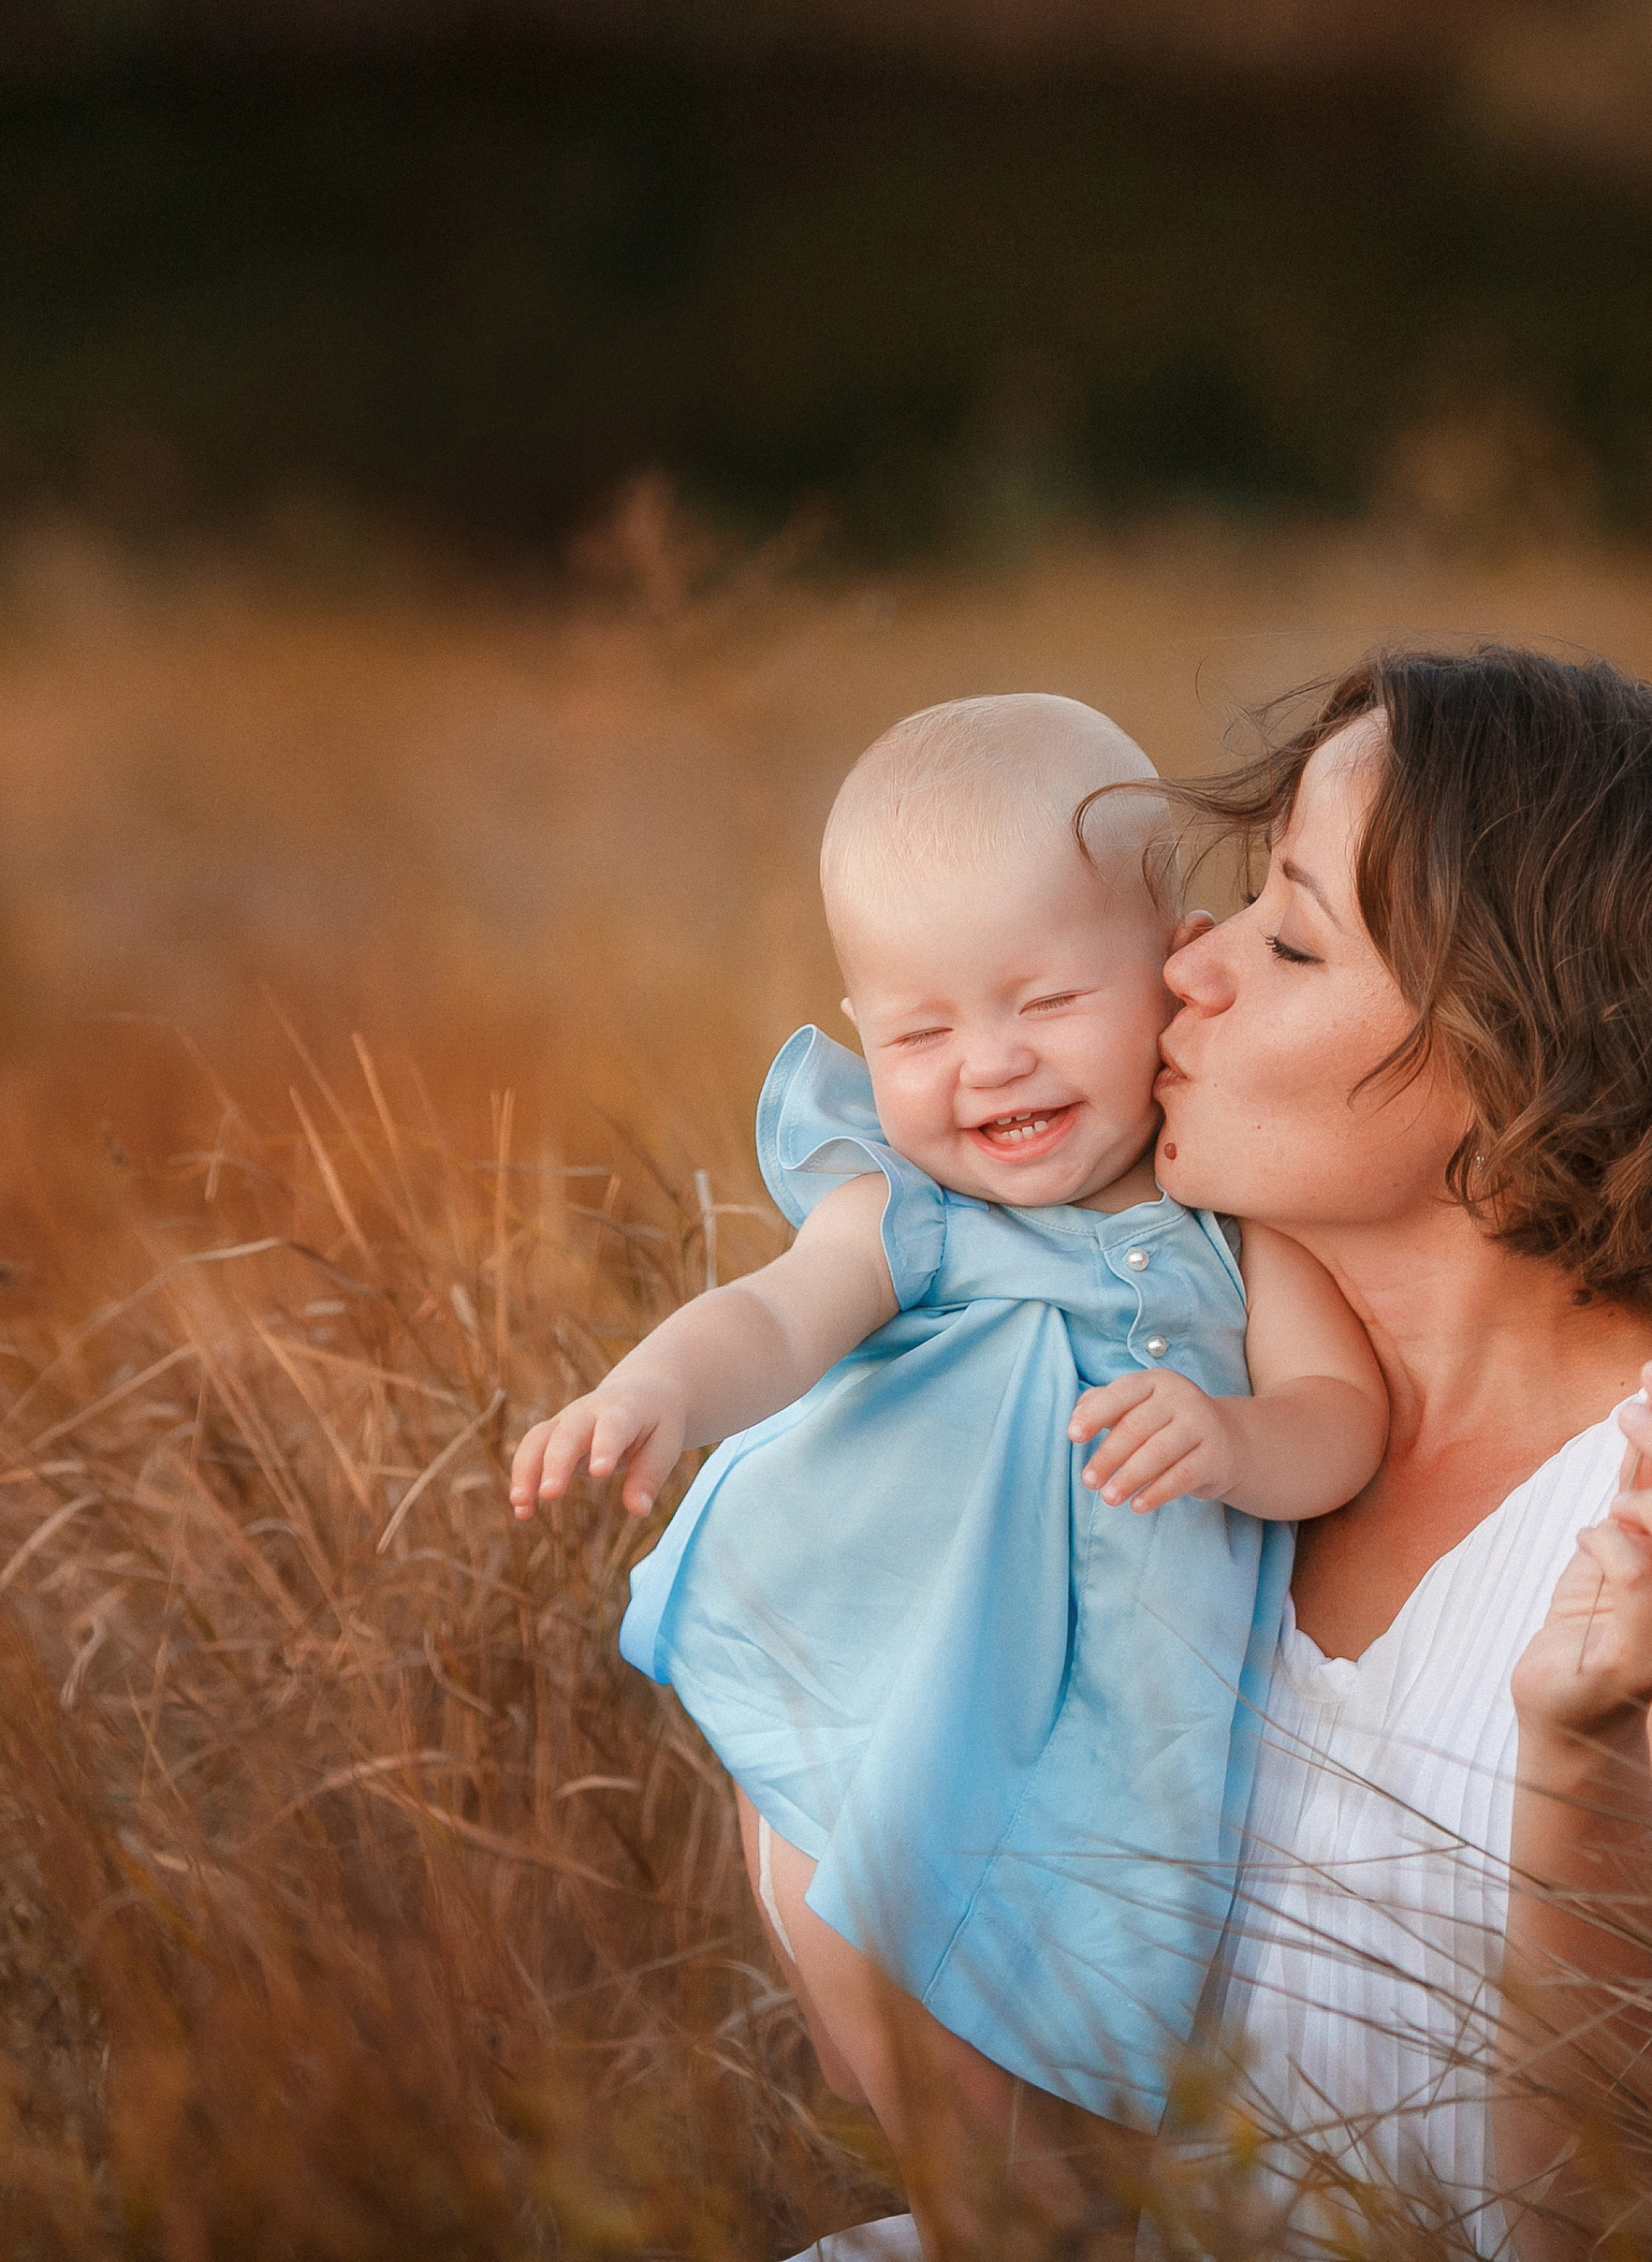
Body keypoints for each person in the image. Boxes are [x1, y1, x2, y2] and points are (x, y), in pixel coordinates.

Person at [507, 693, 1387, 2258]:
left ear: (1175, 964)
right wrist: (656, 1388)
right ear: (861, 1034)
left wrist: (1233, 1437)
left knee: (1080, 2104)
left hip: (1111, 1733)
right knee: (923, 2072)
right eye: (919, 1034)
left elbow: (1341, 1414)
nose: (990, 1064)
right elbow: (776, 1315)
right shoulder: (909, 1208)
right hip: (876, 1689)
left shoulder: (1235, 1219)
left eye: (1046, 1000)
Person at [1145, 647, 1652, 2256]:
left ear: (1524, 1063)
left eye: (1292, 938)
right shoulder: (1206, 1392)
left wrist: (1585, 1747)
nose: (1192, 960)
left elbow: (1640, 2220)